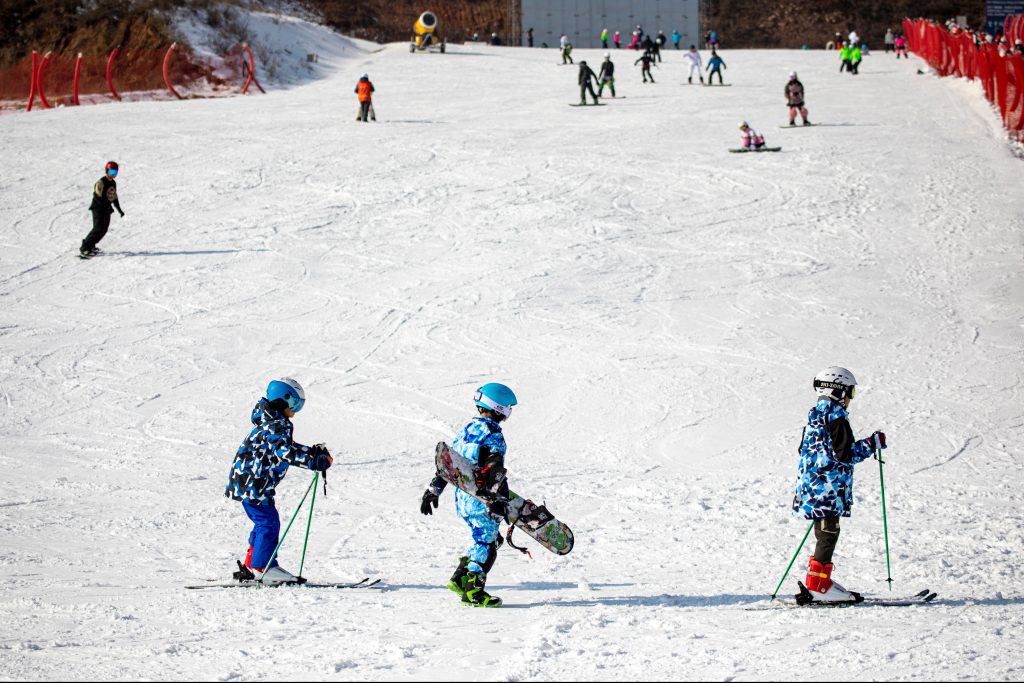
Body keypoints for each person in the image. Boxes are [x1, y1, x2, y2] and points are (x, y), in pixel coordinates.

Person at [792, 367, 887, 603]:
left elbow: (804, 449)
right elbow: (846, 455)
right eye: (850, 392)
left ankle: (820, 582)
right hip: (826, 490)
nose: (850, 398)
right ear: (837, 391)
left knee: (825, 533)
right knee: (828, 534)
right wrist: (871, 444)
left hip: (813, 489)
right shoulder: (836, 419)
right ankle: (818, 586)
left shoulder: (815, 417)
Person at [225, 378, 333, 585]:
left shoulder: (272, 422)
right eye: (294, 404)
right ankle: (262, 567)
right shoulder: (275, 424)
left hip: (252, 483)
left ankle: (252, 565)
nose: (296, 410)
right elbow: (283, 451)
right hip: (254, 483)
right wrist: (312, 462)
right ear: (282, 400)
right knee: (268, 523)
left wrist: (311, 452)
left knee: (263, 522)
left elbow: (285, 445)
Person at [420, 383, 519, 607]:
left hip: (463, 499)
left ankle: (460, 579)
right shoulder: (493, 434)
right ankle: (473, 592)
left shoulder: (467, 430)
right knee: (487, 545)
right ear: (498, 407)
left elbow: (450, 462)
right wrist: (498, 500)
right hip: (482, 501)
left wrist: (433, 490)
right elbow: (494, 469)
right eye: (508, 407)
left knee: (489, 539)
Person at [80, 161, 124, 258]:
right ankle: (85, 247)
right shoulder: (101, 182)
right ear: (106, 171)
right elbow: (97, 197)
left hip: (106, 209)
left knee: (103, 230)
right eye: (111, 172)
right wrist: (104, 206)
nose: (113, 174)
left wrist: (119, 209)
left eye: (115, 172)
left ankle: (91, 245)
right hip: (98, 209)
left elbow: (114, 197)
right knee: (98, 229)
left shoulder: (113, 183)